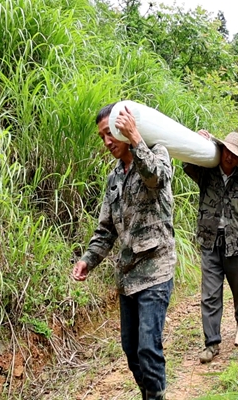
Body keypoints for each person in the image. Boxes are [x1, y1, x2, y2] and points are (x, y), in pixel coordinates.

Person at [72, 103, 175, 400]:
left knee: (148, 348)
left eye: (111, 134)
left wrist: (136, 138)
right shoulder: (113, 179)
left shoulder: (157, 154)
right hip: (128, 276)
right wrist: (87, 260)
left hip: (157, 269)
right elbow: (106, 230)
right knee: (131, 351)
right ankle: (150, 394)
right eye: (102, 136)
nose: (106, 142)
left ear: (124, 130)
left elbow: (157, 179)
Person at [183, 131, 238, 364]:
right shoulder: (206, 173)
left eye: (235, 155)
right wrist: (198, 141)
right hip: (210, 242)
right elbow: (187, 163)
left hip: (236, 243)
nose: (229, 158)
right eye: (227, 152)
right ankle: (212, 342)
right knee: (210, 294)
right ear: (221, 151)